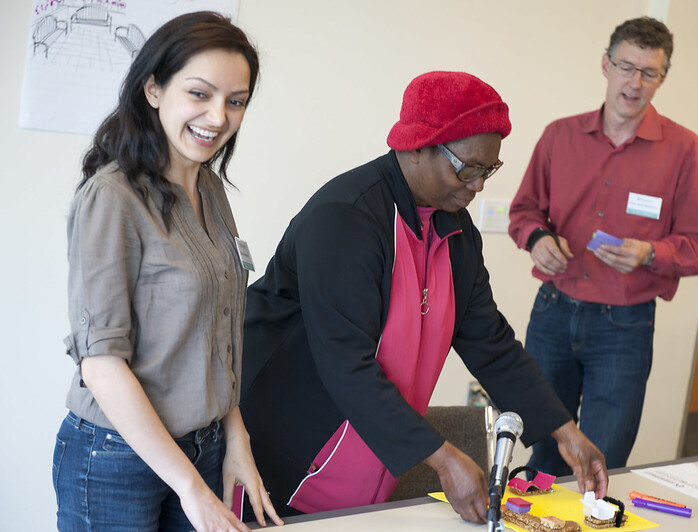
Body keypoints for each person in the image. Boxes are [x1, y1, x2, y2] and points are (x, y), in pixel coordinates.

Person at [240, 71, 608, 525]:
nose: (478, 186)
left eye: (488, 170)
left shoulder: (456, 232)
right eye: (469, 168)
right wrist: (444, 457)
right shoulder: (347, 219)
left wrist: (564, 430)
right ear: (417, 146)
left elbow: (489, 342)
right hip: (285, 457)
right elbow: (345, 363)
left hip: (365, 465)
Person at [52, 11, 283, 532]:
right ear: (154, 90)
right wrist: (191, 489)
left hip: (205, 446)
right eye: (200, 94)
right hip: (115, 459)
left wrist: (235, 438)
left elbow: (214, 337)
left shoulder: (211, 190)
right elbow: (102, 365)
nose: (219, 116)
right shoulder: (112, 197)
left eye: (236, 101)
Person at [508, 16, 698, 476]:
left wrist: (650, 253)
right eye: (627, 67)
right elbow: (523, 211)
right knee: (543, 455)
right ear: (605, 65)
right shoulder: (558, 136)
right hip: (552, 312)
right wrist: (537, 238)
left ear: (662, 78)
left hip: (624, 326)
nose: (635, 82)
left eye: (649, 72)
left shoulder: (685, 150)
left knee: (602, 462)